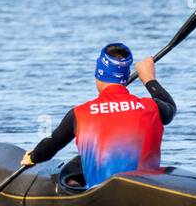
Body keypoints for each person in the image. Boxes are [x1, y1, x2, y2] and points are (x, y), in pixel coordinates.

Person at [20, 43, 176, 187]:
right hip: (146, 189)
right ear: (126, 75)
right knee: (79, 164)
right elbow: (171, 108)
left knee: (76, 167)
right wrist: (149, 79)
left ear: (99, 73)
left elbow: (48, 149)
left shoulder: (79, 113)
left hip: (100, 199)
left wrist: (33, 156)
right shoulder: (151, 106)